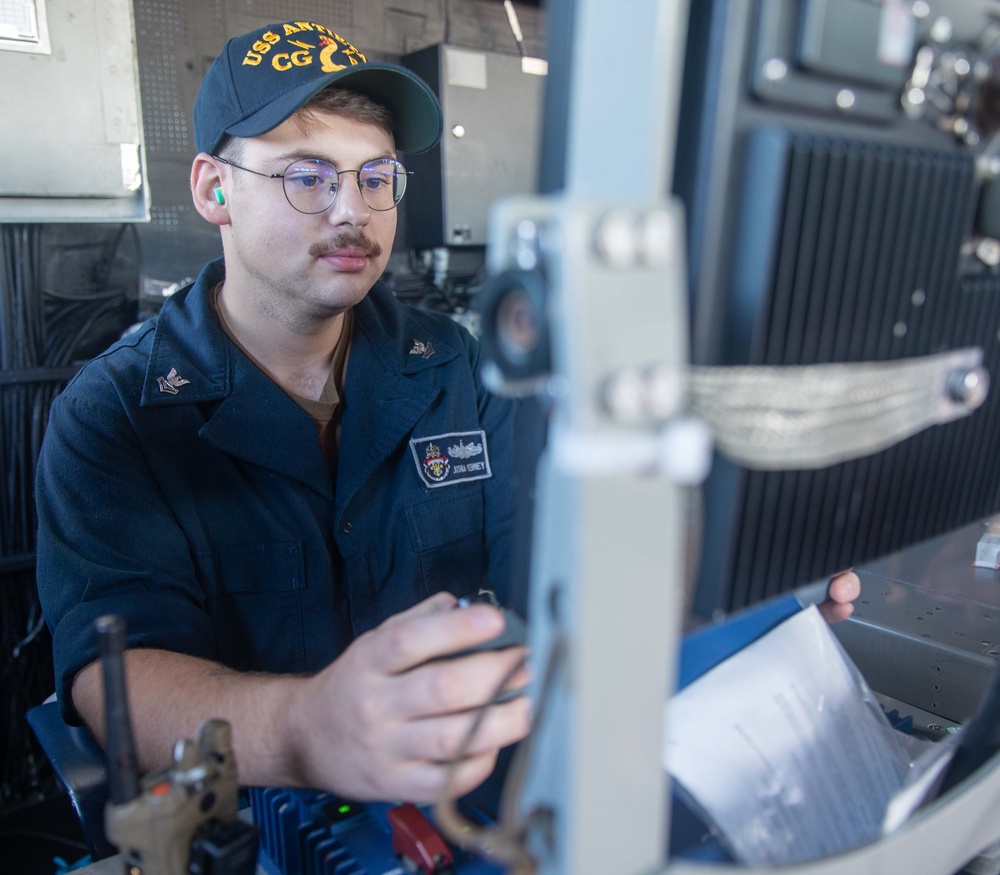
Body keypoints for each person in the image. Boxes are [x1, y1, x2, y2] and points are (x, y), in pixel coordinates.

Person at [34, 19, 859, 806]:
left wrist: (725, 588)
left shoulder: (454, 362)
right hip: (255, 816)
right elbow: (118, 683)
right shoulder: (116, 414)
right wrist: (303, 731)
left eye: (377, 176)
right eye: (308, 176)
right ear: (214, 189)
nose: (353, 210)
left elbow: (551, 564)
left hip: (464, 788)